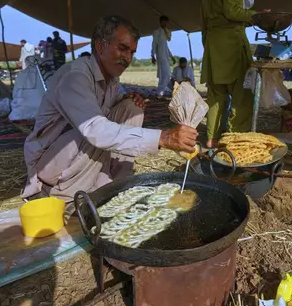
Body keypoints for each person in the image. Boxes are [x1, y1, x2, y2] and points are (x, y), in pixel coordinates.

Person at [22, 16, 198, 212]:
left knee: (131, 108)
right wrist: (163, 138)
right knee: (95, 131)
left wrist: (125, 100)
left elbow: (109, 110)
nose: (128, 58)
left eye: (132, 52)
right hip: (51, 169)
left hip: (75, 158)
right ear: (100, 46)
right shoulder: (75, 77)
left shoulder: (111, 80)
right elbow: (96, 130)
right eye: (122, 48)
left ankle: (116, 185)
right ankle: (67, 198)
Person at [200, 0, 263, 148]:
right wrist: (256, 16)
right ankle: (235, 142)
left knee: (216, 98)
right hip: (232, 45)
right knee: (241, 97)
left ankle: (211, 139)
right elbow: (233, 12)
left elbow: (204, 22)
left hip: (213, 46)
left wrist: (208, 47)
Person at [151, 15, 174, 97]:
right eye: (163, 21)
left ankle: (159, 93)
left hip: (166, 56)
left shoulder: (166, 32)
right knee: (167, 74)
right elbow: (154, 44)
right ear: (160, 22)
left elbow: (166, 44)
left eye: (166, 22)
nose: (165, 23)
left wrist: (172, 56)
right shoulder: (157, 32)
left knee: (163, 75)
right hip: (160, 56)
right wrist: (152, 55)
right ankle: (160, 92)